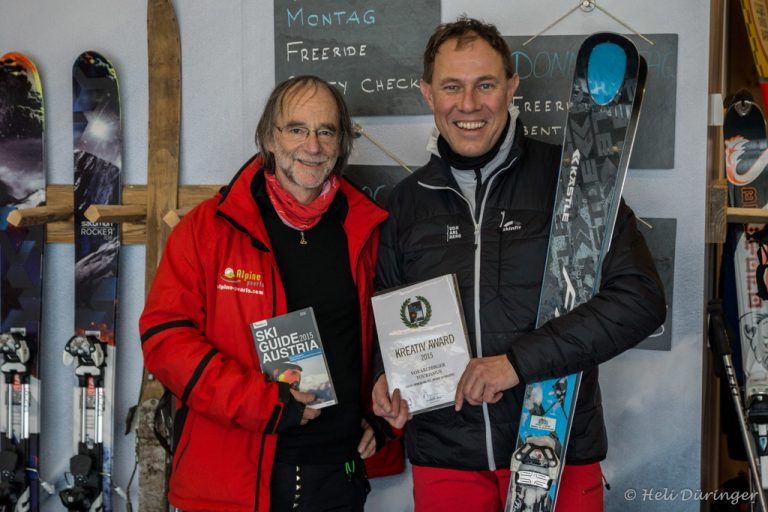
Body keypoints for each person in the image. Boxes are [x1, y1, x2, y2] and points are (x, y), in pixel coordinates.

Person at [372, 17, 666, 512]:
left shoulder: (575, 181)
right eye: (452, 87)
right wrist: (389, 379)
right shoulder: (407, 205)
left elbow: (640, 301)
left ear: (511, 87)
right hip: (447, 457)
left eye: (485, 84)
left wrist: (516, 364)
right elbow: (394, 318)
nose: (468, 105)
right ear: (427, 93)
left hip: (557, 448)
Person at [140, 75, 403, 512]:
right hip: (231, 483)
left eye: (326, 131)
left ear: (341, 144)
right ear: (268, 137)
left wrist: (379, 412)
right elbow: (165, 340)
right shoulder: (208, 229)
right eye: (296, 129)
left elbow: (379, 341)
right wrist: (262, 403)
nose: (312, 145)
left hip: (337, 479)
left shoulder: (366, 230)